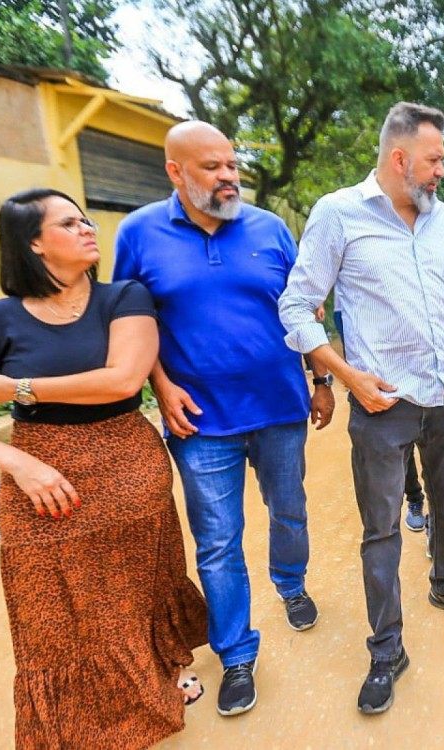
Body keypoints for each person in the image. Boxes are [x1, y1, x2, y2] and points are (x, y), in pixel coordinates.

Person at [0, 188, 208, 748]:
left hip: (125, 459)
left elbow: (124, 378)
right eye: (69, 223)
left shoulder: (123, 297)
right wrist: (16, 462)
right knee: (50, 603)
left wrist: (16, 388)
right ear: (34, 243)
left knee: (135, 584)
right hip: (38, 470)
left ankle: (162, 672)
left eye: (85, 220)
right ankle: (79, 714)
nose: (87, 229)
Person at [280, 101, 444, 714]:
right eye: (434, 160)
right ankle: (387, 649)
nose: (441, 172)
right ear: (400, 158)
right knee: (381, 530)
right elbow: (297, 308)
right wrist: (347, 375)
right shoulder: (338, 214)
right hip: (382, 404)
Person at [114, 121, 332, 716]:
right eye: (211, 167)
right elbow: (132, 322)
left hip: (280, 407)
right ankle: (236, 653)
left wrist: (322, 380)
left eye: (231, 165)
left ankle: (291, 584)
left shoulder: (269, 229)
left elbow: (304, 308)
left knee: (289, 510)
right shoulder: (139, 234)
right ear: (175, 172)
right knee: (216, 540)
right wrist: (162, 386)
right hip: (200, 421)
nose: (228, 176)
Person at [333, 305, 428, 532]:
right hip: (383, 374)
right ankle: (414, 497)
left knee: (433, 447)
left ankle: (435, 514)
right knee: (397, 444)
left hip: (425, 368)